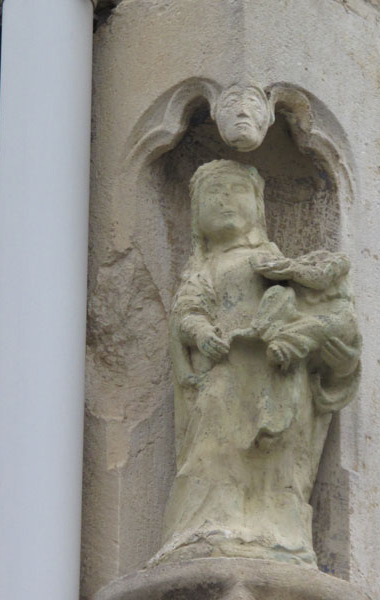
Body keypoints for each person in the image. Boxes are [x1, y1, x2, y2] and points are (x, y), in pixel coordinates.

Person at [151, 160, 361, 567]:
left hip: (277, 378)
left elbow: (316, 308)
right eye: (213, 194)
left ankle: (281, 536)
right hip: (225, 375)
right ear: (196, 217)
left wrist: (304, 330)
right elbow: (188, 311)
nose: (224, 200)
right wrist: (201, 334)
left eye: (235, 191)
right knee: (212, 452)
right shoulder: (204, 269)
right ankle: (208, 528)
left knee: (277, 459)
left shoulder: (275, 262)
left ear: (258, 207)